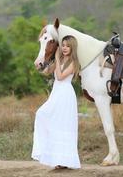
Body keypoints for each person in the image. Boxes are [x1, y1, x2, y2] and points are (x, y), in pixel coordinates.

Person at [31, 35, 81, 169]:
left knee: (63, 125)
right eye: (63, 45)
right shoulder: (59, 60)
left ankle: (65, 161)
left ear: (72, 48)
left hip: (65, 95)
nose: (64, 48)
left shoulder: (74, 63)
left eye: (67, 46)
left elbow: (60, 76)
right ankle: (55, 157)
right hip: (56, 94)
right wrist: (43, 65)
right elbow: (48, 72)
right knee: (42, 115)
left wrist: (57, 60)